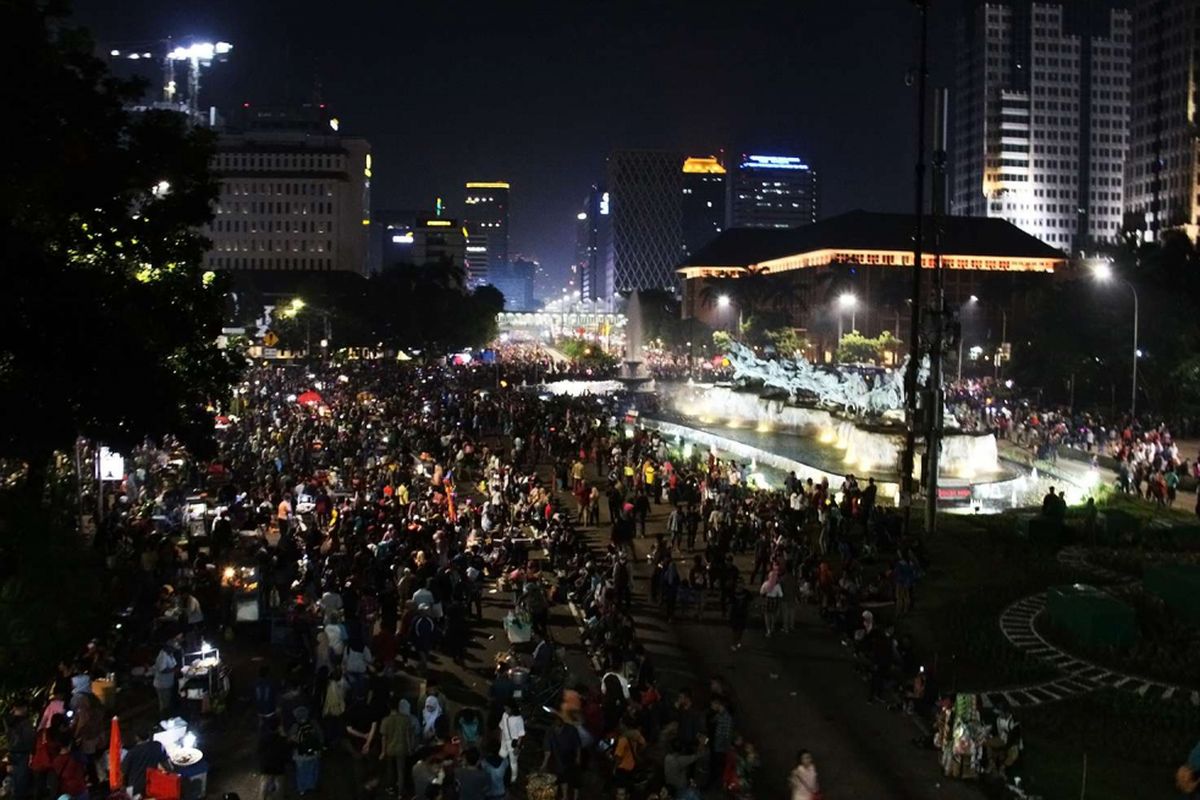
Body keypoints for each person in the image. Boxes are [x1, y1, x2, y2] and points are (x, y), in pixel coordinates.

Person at [540, 713, 582, 800]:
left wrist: (578, 757)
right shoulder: (550, 731)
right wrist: (544, 763)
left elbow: (577, 745)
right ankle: (565, 796)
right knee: (562, 776)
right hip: (559, 756)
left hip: (571, 755)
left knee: (575, 778)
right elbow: (547, 749)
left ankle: (575, 797)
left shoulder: (571, 729)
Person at [379, 698, 413, 798]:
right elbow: (408, 735)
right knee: (400, 771)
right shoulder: (405, 719)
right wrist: (410, 748)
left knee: (390, 770)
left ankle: (391, 788)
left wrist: (383, 751)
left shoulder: (385, 720)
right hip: (402, 748)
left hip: (390, 748)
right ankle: (400, 793)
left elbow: (384, 737)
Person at [121, 728, 169, 798]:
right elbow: (167, 765)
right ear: (149, 735)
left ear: (136, 738)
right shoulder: (157, 745)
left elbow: (123, 771)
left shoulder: (132, 752)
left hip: (135, 789)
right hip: (153, 785)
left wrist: (123, 787)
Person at [3, 697, 35, 800]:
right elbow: (29, 739)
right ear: (24, 708)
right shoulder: (25, 723)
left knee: (15, 781)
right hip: (23, 753)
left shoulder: (8, 721)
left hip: (12, 752)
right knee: (21, 782)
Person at [290, 706, 324, 796]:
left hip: (300, 755)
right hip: (314, 753)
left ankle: (302, 789)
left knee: (301, 772)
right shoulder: (313, 724)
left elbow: (292, 739)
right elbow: (321, 738)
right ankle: (312, 785)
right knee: (313, 769)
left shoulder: (295, 726)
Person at [258, 722, 291, 800]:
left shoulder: (263, 738)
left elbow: (259, 751)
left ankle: (262, 798)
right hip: (278, 766)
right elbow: (286, 751)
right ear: (278, 729)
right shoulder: (281, 739)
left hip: (265, 766)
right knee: (279, 785)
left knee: (264, 783)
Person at [153, 639, 179, 714]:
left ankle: (166, 717)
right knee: (164, 705)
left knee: (167, 703)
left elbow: (174, 665)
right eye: (173, 649)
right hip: (162, 685)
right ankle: (163, 720)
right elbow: (162, 669)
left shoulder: (170, 654)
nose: (174, 650)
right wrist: (174, 670)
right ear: (168, 647)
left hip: (168, 683)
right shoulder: (162, 655)